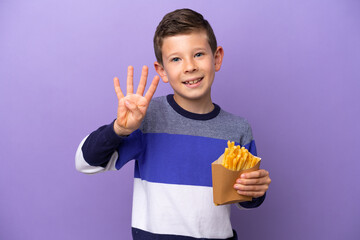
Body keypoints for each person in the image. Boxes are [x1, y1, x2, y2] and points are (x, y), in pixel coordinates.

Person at [75, 8, 271, 240]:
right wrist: (120, 129)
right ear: (162, 70)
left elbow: (244, 199)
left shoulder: (237, 129)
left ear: (216, 58)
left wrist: (256, 192)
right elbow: (84, 163)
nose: (189, 66)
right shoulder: (146, 118)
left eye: (198, 54)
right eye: (176, 59)